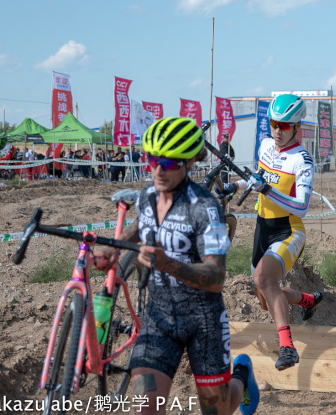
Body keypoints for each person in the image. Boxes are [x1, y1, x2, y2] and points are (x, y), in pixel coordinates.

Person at [94, 117, 260, 415]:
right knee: (146, 407)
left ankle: (242, 376)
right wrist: (113, 248)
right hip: (158, 319)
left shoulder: (206, 208)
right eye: (152, 159)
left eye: (168, 162)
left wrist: (168, 263)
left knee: (216, 410)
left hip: (204, 322)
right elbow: (139, 226)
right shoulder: (147, 196)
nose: (158, 169)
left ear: (189, 162)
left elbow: (217, 277)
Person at [221, 94, 323, 371]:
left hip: (288, 229)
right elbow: (258, 177)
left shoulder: (302, 160)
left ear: (297, 126)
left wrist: (267, 190)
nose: (277, 130)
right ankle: (308, 299)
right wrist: (237, 186)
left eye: (284, 125)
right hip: (262, 228)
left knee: (264, 278)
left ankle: (288, 347)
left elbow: (301, 207)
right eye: (273, 124)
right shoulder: (266, 145)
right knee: (266, 298)